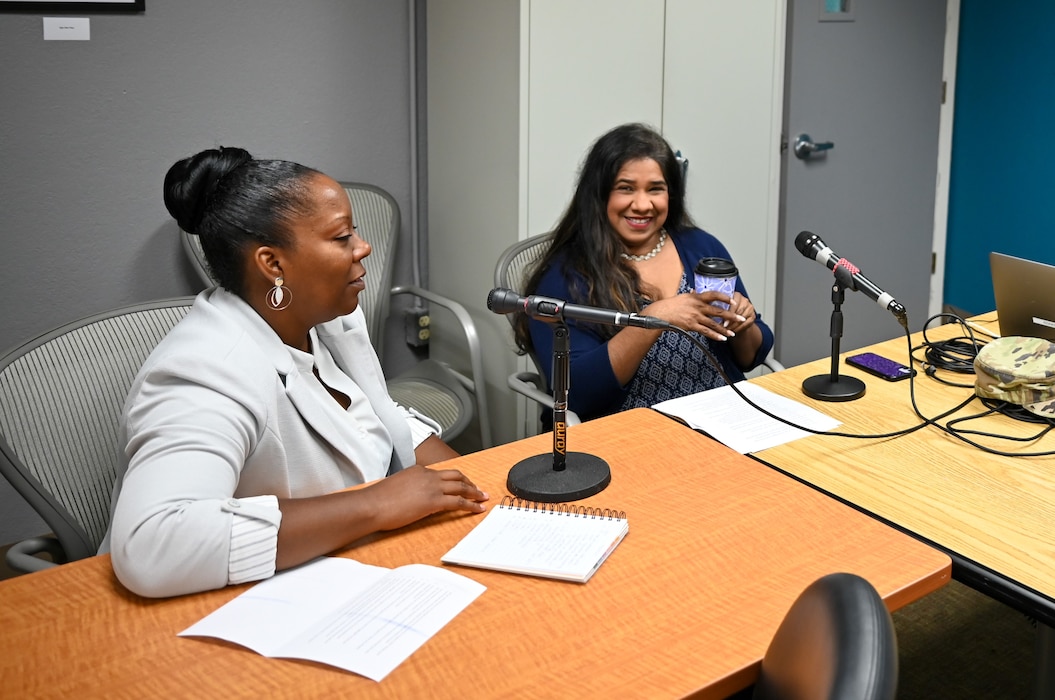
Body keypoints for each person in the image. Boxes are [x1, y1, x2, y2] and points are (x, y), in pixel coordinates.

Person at [100, 146, 489, 598]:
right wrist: (375, 504)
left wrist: (473, 481)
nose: (363, 247)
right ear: (272, 264)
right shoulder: (204, 372)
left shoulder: (325, 317)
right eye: (342, 236)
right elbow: (154, 545)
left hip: (356, 565)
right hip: (240, 602)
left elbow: (372, 411)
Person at [513, 123, 774, 423]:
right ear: (599, 195)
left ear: (671, 195)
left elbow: (752, 355)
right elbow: (577, 392)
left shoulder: (701, 246)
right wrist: (654, 319)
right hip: (635, 430)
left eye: (655, 189)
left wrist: (743, 324)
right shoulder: (565, 277)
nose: (642, 204)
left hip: (723, 417)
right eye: (625, 188)